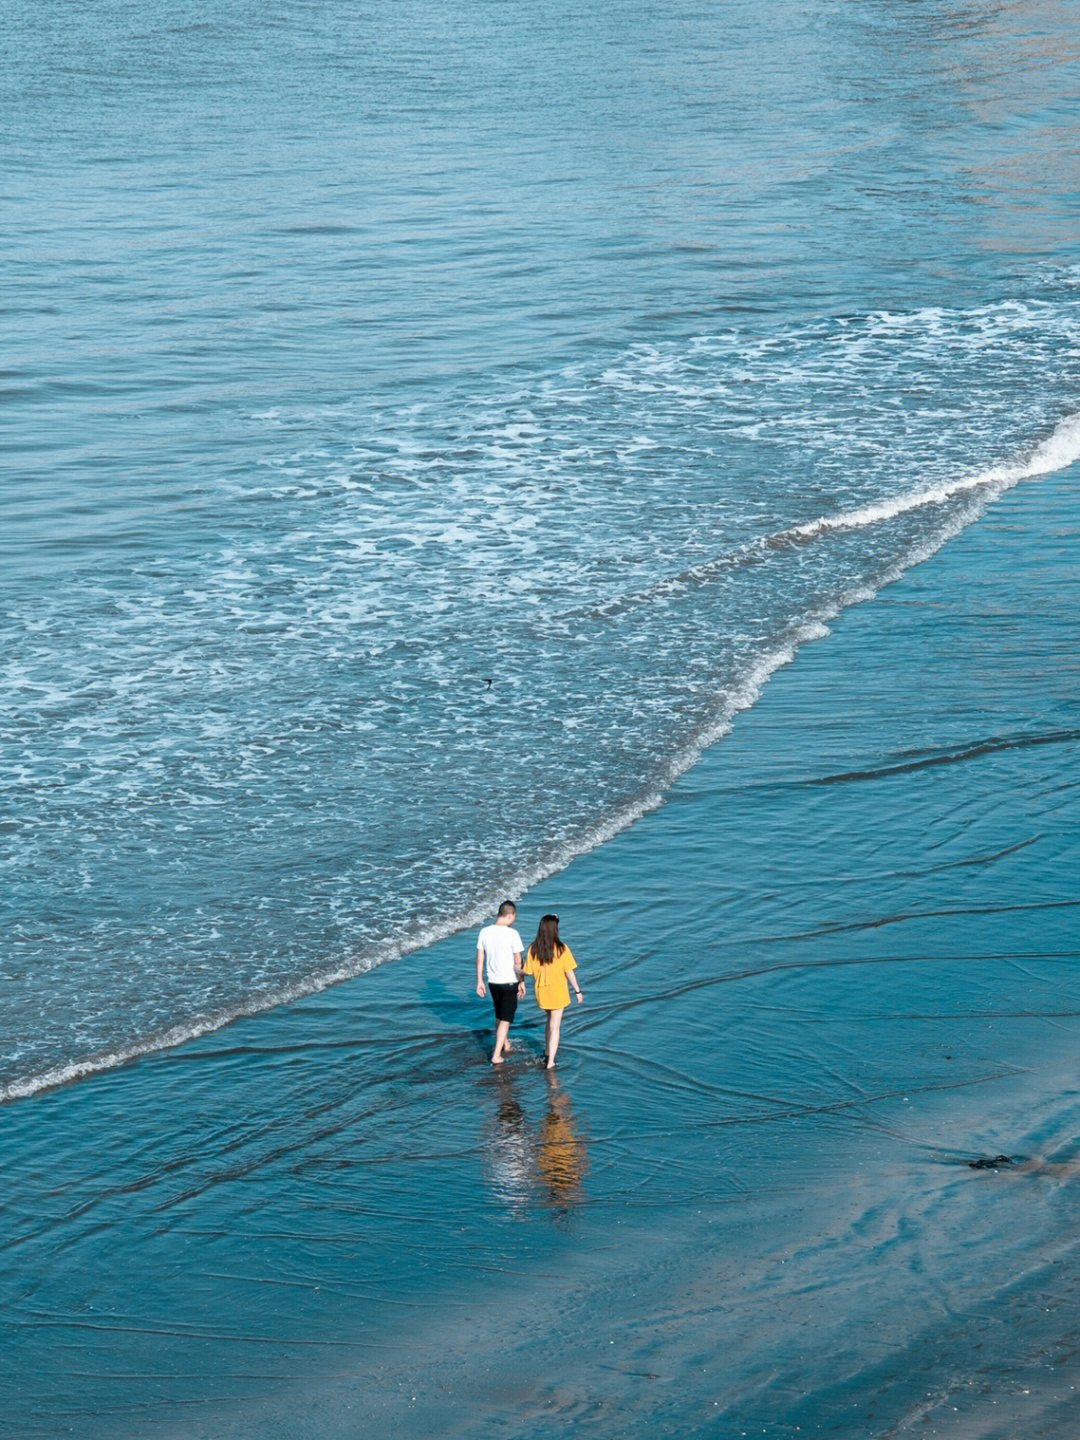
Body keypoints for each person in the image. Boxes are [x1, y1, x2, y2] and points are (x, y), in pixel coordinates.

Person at [523, 914, 583, 1069]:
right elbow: (569, 971)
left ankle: (547, 1052)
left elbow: (528, 971)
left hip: (542, 992)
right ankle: (550, 1062)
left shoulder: (533, 949)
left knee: (549, 1021)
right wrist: (578, 991)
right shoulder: (562, 948)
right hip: (558, 992)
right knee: (555, 1026)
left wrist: (517, 969)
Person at [475, 900, 525, 1065]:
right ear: (510, 916)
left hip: (492, 981)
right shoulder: (513, 934)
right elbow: (518, 962)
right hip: (509, 981)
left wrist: (479, 981)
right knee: (506, 1018)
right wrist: (522, 981)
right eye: (514, 917)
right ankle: (496, 1055)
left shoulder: (484, 932)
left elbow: (480, 958)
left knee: (499, 1013)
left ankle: (505, 1043)